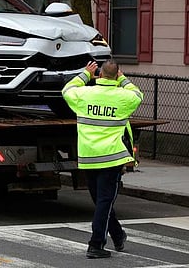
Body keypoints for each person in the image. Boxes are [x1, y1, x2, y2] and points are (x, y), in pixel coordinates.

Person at [62, 59, 143, 259]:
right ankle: (96, 244)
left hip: (89, 156)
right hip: (111, 158)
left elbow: (67, 90)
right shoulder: (123, 97)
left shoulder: (84, 94)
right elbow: (138, 94)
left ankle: (117, 235)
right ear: (116, 75)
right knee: (104, 202)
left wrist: (85, 75)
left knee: (101, 202)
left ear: (99, 75)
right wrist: (123, 79)